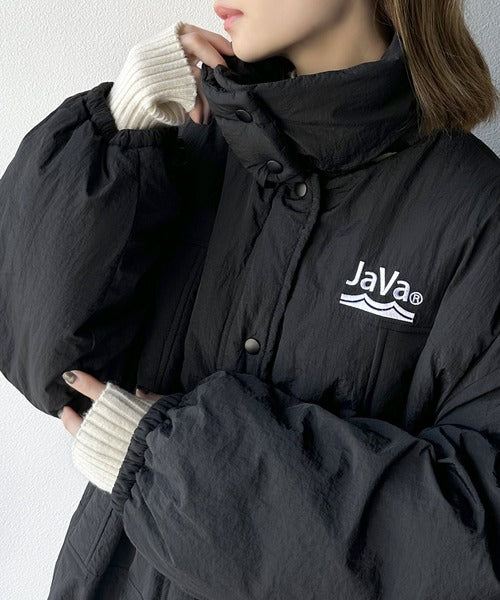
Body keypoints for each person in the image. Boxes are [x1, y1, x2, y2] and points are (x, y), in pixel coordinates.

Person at [0, 0, 499, 598]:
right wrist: (120, 122)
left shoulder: (478, 217)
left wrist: (169, 462)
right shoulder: (189, 144)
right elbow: (47, 358)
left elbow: (469, 544)